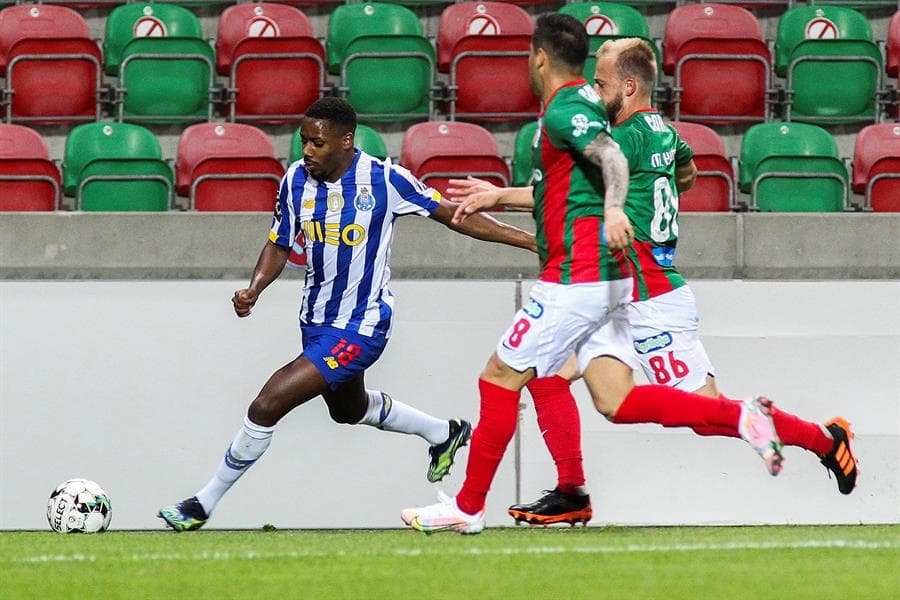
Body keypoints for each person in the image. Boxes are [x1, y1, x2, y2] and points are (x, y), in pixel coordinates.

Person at [399, 16, 852, 536]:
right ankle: (570, 491)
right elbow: (686, 172)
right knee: (553, 378)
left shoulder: (623, 136)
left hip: (647, 288)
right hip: (627, 282)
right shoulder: (665, 133)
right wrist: (502, 195)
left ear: (629, 86)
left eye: (605, 81)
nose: (597, 89)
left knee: (705, 412)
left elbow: (603, 172)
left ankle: (821, 438)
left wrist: (613, 210)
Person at [158, 97, 537, 531]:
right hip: (316, 322)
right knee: (348, 410)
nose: (307, 150)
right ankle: (443, 432)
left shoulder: (384, 179)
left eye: (317, 142)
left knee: (267, 404)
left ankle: (202, 503)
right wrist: (255, 288)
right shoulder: (295, 181)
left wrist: (527, 241)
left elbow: (454, 217)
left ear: (345, 140)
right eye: (303, 140)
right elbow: (280, 242)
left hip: (362, 325)